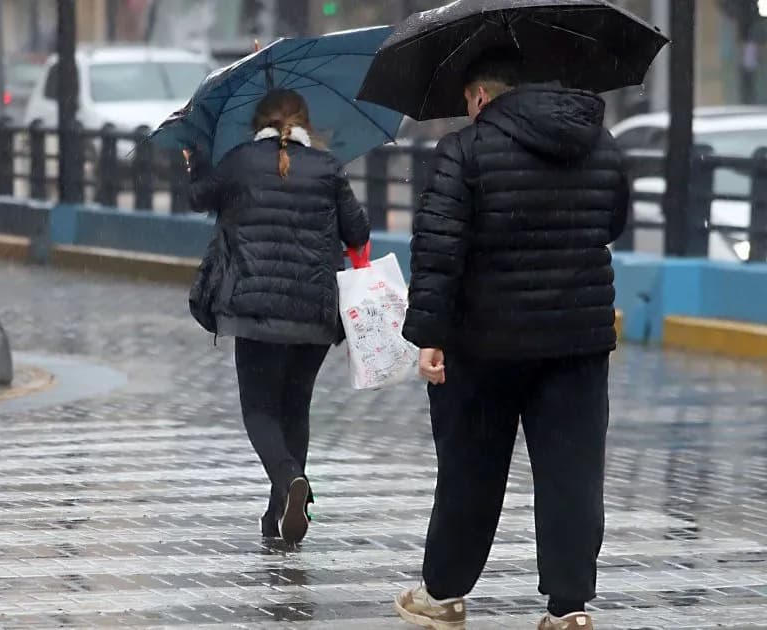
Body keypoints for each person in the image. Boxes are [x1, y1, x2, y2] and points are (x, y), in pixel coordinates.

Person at [393, 48, 628, 630]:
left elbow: (439, 249)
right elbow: (613, 221)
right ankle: (569, 609)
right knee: (573, 476)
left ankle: (444, 594)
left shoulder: (465, 150)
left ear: (480, 95)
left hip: (483, 343)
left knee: (471, 471)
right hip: (576, 340)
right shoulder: (599, 144)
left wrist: (429, 334)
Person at [186, 89, 371, 545]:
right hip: (314, 313)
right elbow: (358, 231)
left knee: (260, 410)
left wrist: (197, 160)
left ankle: (289, 481)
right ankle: (278, 517)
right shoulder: (327, 168)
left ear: (258, 123)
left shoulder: (240, 161)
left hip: (255, 309)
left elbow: (198, 198)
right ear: (306, 122)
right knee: (295, 407)